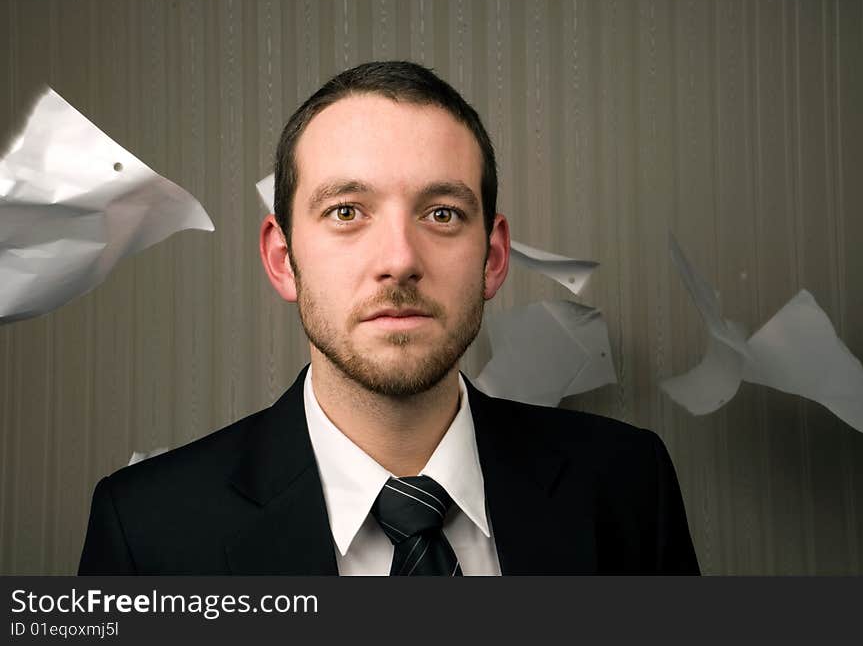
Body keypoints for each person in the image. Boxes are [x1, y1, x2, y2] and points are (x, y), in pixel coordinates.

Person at [79, 61, 699, 576]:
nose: (399, 261)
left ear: (493, 257)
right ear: (282, 259)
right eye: (347, 212)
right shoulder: (145, 530)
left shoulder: (628, 485)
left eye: (443, 214)